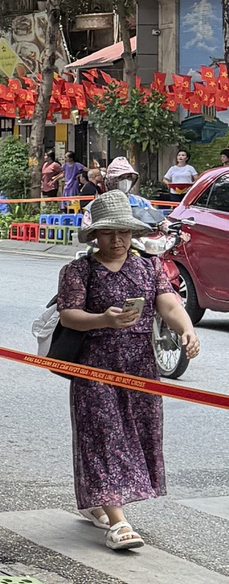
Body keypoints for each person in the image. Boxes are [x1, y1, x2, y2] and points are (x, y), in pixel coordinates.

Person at [54, 190, 202, 552]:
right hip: (95, 366)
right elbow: (69, 314)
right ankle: (118, 523)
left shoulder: (148, 267)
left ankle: (99, 502)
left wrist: (186, 329)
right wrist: (103, 318)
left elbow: (167, 302)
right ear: (95, 236)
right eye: (108, 233)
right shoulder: (78, 271)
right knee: (104, 437)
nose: (117, 240)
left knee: (135, 435)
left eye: (123, 232)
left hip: (140, 366)